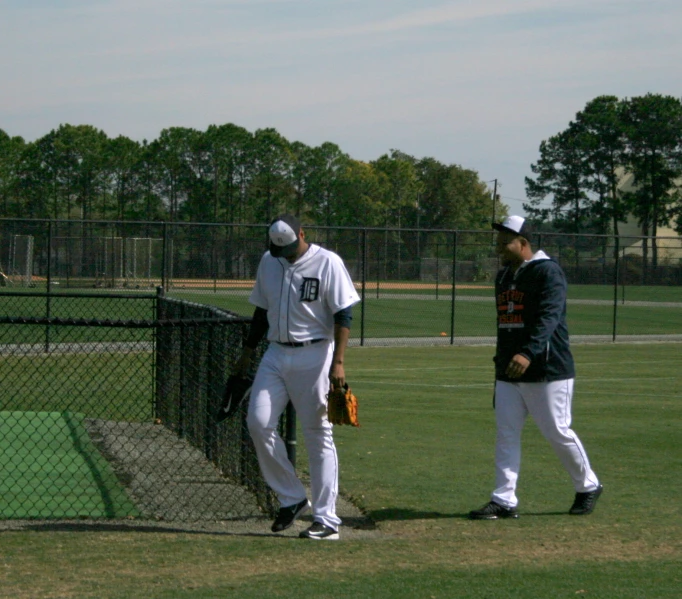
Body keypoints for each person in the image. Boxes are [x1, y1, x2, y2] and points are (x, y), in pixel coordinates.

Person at [469, 215, 602, 520]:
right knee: (506, 434)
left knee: (557, 431)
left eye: (506, 242)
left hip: (547, 368)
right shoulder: (503, 276)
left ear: (524, 243)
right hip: (508, 371)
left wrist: (527, 353)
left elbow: (549, 317)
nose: (500, 247)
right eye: (499, 241)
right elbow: (505, 325)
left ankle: (588, 485)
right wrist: (502, 362)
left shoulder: (548, 272)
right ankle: (503, 500)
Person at [236, 214, 360, 540]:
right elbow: (261, 311)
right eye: (280, 250)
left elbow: (344, 314)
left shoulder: (328, 262)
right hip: (276, 352)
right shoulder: (269, 261)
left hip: (315, 353)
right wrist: (247, 353)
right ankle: (292, 497)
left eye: (290, 247)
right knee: (258, 422)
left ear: (302, 234)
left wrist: (339, 362)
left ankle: (327, 520)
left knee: (318, 433)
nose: (286, 254)